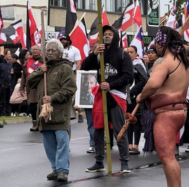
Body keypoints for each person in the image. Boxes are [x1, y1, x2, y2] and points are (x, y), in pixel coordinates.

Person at [136, 26, 189, 187]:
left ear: (162, 43)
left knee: (167, 155)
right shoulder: (183, 62)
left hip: (168, 112)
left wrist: (141, 96)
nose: (156, 48)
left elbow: (153, 85)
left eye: (157, 44)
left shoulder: (166, 61)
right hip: (178, 110)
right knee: (165, 154)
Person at [82, 25, 134, 173]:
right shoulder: (98, 54)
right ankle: (99, 161)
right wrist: (93, 54)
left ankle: (124, 162)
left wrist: (111, 85)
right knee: (98, 130)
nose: (107, 36)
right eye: (105, 34)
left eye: (110, 34)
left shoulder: (122, 54)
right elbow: (84, 68)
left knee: (119, 130)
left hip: (116, 96)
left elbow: (129, 76)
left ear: (115, 36)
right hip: (101, 96)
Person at [27, 39, 76, 182]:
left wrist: (53, 97)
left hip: (59, 112)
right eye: (47, 50)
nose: (49, 52)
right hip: (44, 113)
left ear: (60, 53)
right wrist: (38, 72)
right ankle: (55, 168)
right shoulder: (43, 68)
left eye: (53, 50)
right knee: (49, 144)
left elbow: (70, 89)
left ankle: (63, 170)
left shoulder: (65, 68)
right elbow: (30, 83)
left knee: (62, 142)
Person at [126, 45, 147, 155]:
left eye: (131, 52)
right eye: (127, 52)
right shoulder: (124, 64)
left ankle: (136, 145)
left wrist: (132, 92)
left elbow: (143, 80)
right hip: (125, 96)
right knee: (128, 120)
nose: (129, 54)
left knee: (136, 121)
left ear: (136, 53)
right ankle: (129, 145)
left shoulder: (138, 64)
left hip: (135, 97)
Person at [59, 34, 83, 122]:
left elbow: (78, 63)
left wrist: (76, 74)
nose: (63, 41)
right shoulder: (59, 50)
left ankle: (79, 112)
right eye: (61, 40)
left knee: (74, 93)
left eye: (64, 40)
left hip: (71, 73)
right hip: (60, 74)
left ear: (68, 41)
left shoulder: (75, 50)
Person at [20, 45, 44, 131]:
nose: (35, 51)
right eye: (34, 50)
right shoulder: (27, 63)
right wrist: (21, 87)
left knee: (41, 104)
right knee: (33, 106)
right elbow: (24, 76)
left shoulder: (44, 61)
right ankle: (35, 123)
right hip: (30, 87)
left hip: (41, 86)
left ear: (40, 51)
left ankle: (42, 123)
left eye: (37, 49)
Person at [0, 48, 12, 116]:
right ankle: (1, 113)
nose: (10, 55)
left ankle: (8, 112)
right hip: (2, 84)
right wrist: (1, 83)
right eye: (9, 54)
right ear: (5, 55)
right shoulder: (0, 63)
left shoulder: (10, 63)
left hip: (9, 84)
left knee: (8, 99)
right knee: (1, 100)